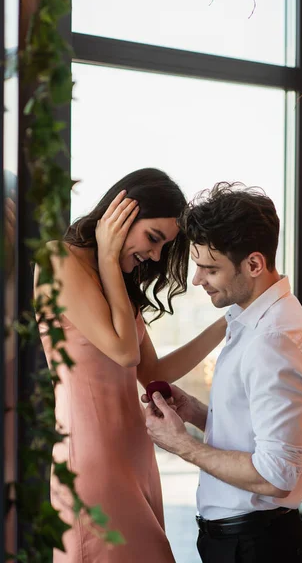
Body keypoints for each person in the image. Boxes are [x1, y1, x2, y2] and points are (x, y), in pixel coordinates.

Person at [34, 168, 227, 563]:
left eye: (163, 246)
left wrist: (229, 322)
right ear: (120, 213)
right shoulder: (58, 259)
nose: (155, 255)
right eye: (153, 239)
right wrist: (107, 258)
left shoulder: (119, 280)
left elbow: (151, 371)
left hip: (135, 455)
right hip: (91, 459)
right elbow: (125, 352)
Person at [144, 182, 302, 563]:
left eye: (210, 268)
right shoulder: (253, 322)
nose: (196, 280)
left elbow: (276, 475)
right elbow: (258, 434)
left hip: (255, 547)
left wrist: (183, 446)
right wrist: (195, 413)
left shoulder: (273, 340)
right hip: (244, 542)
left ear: (254, 264)